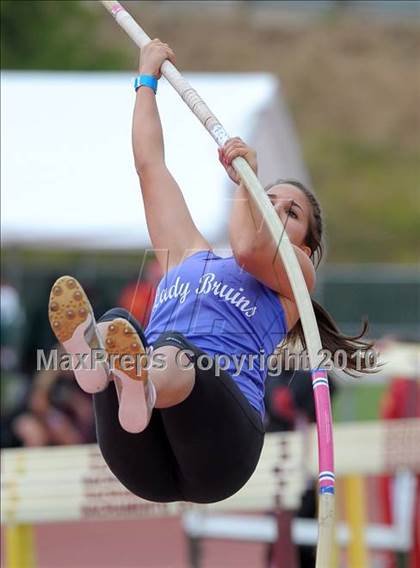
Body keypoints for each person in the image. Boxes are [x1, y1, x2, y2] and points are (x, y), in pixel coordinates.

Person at [48, 40, 375, 504]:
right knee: (120, 320)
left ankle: (134, 378)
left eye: (291, 211)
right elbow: (150, 167)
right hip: (139, 455)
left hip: (221, 451)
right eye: (271, 197)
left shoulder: (294, 279)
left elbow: (248, 248)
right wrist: (146, 80)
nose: (276, 207)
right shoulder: (186, 256)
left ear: (306, 243)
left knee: (176, 351)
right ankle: (108, 371)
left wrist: (249, 184)